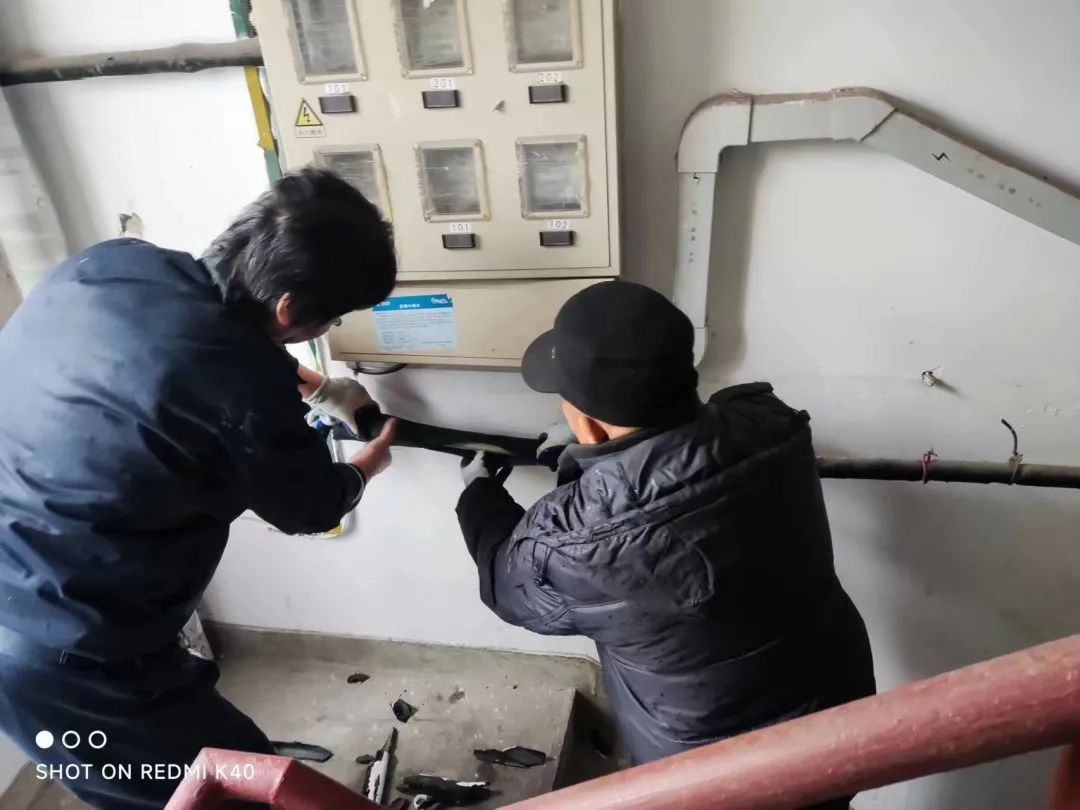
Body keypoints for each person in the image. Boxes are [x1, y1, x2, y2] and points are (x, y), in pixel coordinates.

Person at [0, 167, 396, 809]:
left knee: (226, 776)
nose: (329, 330)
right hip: (66, 654)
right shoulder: (241, 390)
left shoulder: (113, 264)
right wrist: (366, 464)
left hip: (37, 597)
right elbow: (312, 505)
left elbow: (196, 346)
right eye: (334, 317)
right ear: (289, 309)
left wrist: (314, 386)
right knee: (231, 796)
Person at [456, 281, 875, 809]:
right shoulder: (771, 423)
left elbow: (508, 586)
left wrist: (478, 493)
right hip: (838, 719)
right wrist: (586, 464)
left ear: (587, 423)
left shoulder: (567, 543)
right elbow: (663, 481)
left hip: (711, 773)